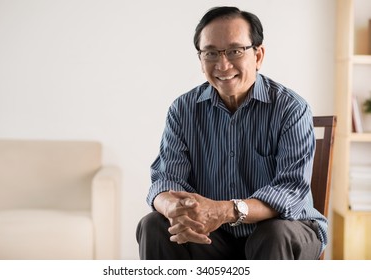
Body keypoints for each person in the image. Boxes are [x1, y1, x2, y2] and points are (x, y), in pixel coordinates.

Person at [136, 6, 327, 260]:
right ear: (201, 60)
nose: (223, 64)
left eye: (235, 51)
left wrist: (226, 210)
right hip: (216, 237)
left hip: (286, 229)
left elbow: (290, 191)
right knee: (155, 225)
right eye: (211, 53)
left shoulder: (291, 109)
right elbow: (165, 180)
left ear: (258, 55)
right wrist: (172, 207)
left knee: (272, 234)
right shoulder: (182, 110)